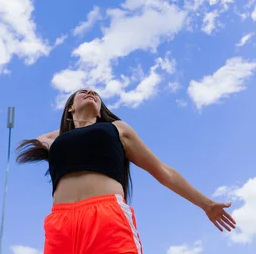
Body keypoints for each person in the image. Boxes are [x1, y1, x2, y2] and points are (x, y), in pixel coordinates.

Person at [16, 88, 236, 253]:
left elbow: (163, 171)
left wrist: (206, 204)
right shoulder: (56, 142)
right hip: (60, 223)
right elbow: (40, 140)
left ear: (102, 109)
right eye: (83, 92)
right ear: (70, 107)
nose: (91, 92)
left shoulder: (116, 129)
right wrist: (74, 124)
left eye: (96, 94)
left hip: (106, 216)